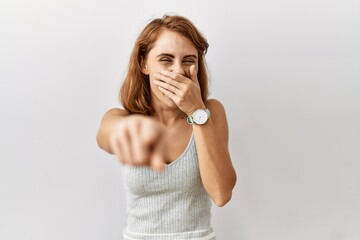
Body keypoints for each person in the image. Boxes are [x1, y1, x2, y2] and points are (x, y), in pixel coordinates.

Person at [96, 14, 237, 240]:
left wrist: (196, 112)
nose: (178, 71)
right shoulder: (122, 117)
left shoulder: (210, 113)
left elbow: (221, 194)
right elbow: (105, 136)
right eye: (165, 59)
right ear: (143, 64)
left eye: (189, 60)